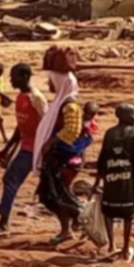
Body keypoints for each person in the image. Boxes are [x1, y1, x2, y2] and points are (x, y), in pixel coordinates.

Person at [0, 63, 48, 237]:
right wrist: (7, 150)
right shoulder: (21, 97)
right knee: (15, 181)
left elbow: (47, 124)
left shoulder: (36, 98)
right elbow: (20, 128)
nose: (11, 80)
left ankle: (2, 224)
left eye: (14, 77)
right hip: (26, 148)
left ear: (25, 76)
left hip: (35, 149)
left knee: (11, 180)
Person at [34, 70, 84, 244]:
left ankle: (78, 217)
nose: (49, 83)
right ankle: (68, 227)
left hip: (63, 159)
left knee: (57, 193)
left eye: (52, 80)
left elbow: (72, 130)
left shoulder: (70, 105)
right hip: (55, 158)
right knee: (52, 194)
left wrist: (51, 142)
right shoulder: (60, 103)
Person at [92, 103, 134, 262]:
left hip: (111, 177)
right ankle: (125, 248)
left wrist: (98, 181)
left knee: (109, 211)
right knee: (128, 214)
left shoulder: (109, 133)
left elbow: (102, 158)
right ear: (123, 116)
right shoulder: (133, 133)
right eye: (133, 114)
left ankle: (112, 245)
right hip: (127, 179)